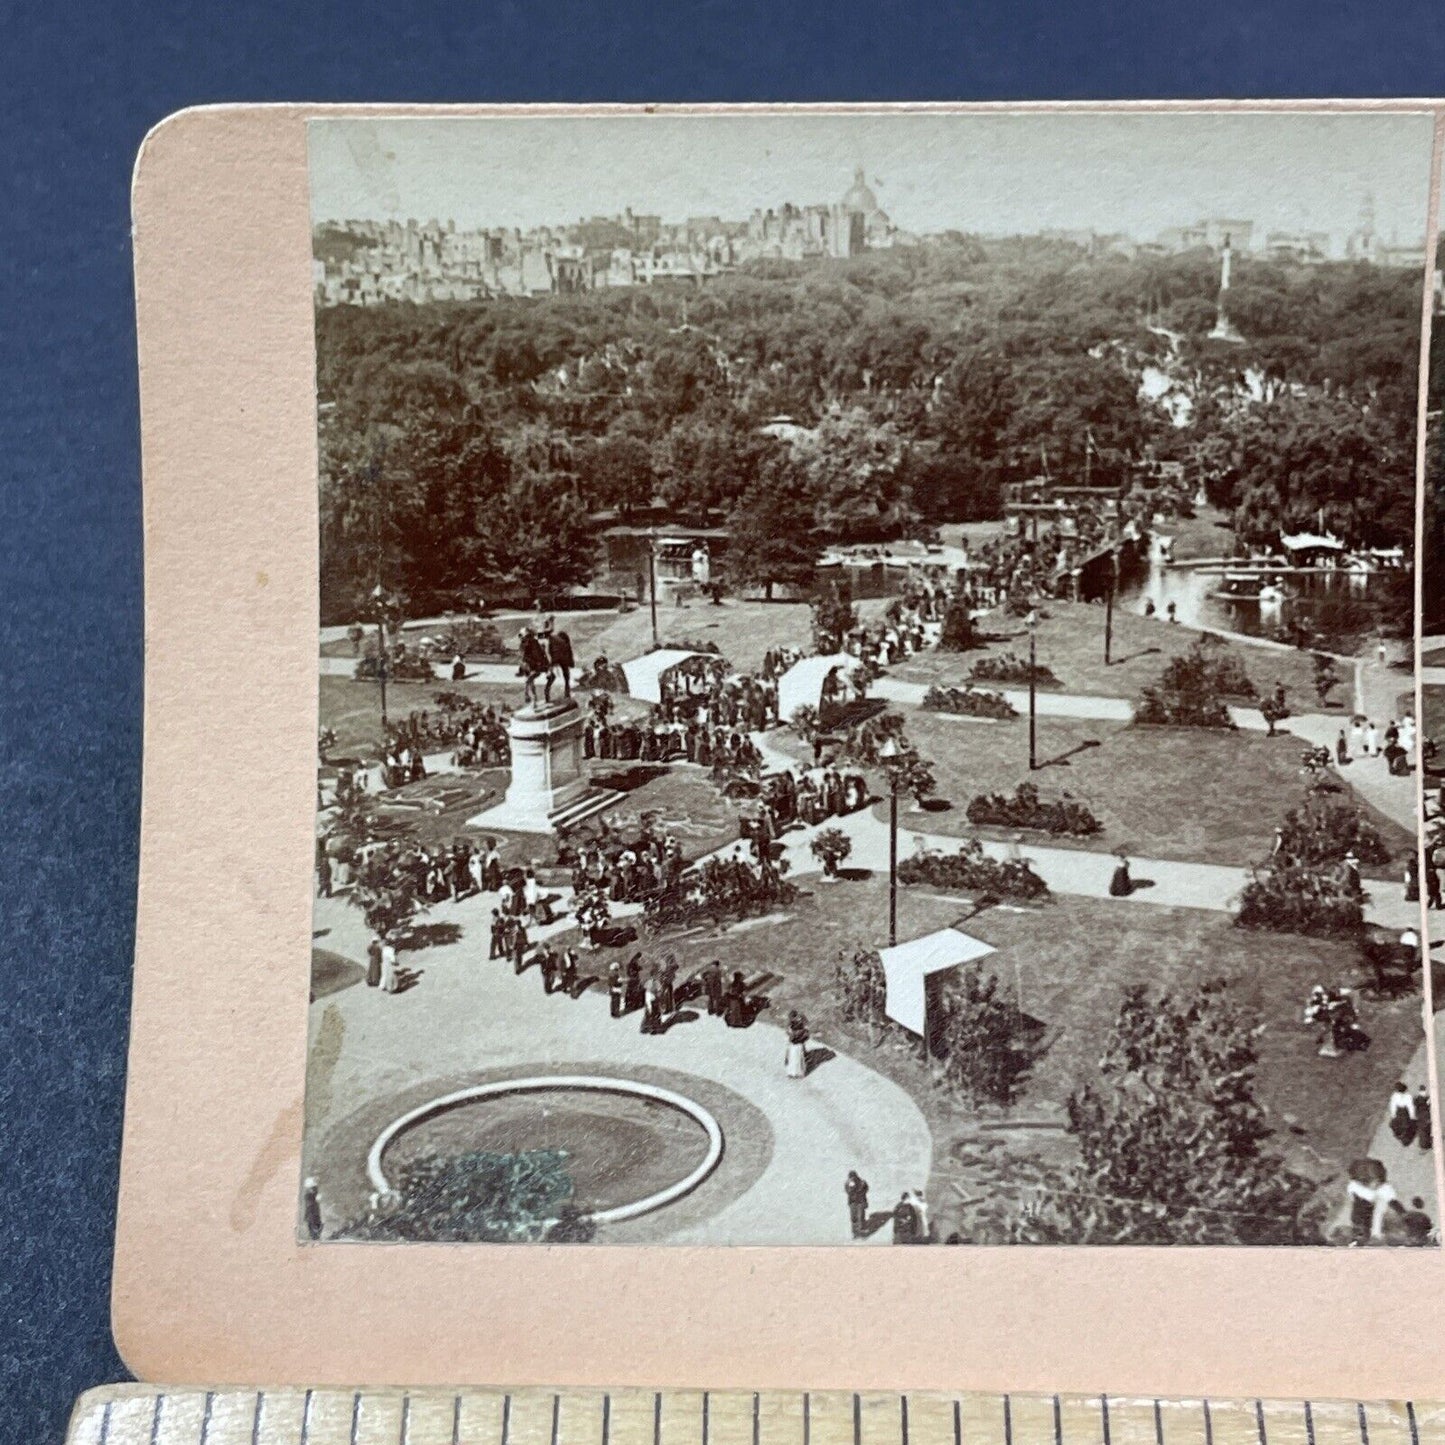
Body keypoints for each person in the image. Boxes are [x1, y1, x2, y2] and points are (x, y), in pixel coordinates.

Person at [520, 626, 552, 706]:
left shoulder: (535, 643)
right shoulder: (525, 645)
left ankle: (544, 693)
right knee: (530, 680)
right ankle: (533, 698)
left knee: (530, 679)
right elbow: (524, 657)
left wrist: (546, 666)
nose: (527, 639)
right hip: (531, 666)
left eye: (528, 637)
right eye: (526, 637)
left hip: (539, 665)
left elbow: (541, 655)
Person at [1388, 1082, 1417, 1148]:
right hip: (1404, 1112)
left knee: (1399, 1125)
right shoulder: (1407, 1096)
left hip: (1401, 1112)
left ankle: (1403, 1136)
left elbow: (1393, 1106)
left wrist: (1393, 1115)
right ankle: (1405, 1135)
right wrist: (1412, 1116)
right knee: (1405, 1124)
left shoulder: (1395, 1096)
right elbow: (1410, 1107)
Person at [548, 627, 574, 698]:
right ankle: (566, 690)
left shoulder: (557, 643)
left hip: (558, 658)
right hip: (560, 658)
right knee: (565, 674)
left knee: (563, 673)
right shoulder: (562, 643)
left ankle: (566, 689)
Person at [845, 1171, 869, 1238]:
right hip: (853, 1202)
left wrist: (860, 1189)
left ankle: (862, 1231)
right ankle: (855, 1232)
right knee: (854, 1217)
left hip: (860, 1202)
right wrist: (851, 1188)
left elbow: (866, 1189)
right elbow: (847, 1191)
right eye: (851, 1177)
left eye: (853, 1177)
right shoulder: (848, 1183)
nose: (852, 1178)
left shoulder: (862, 1182)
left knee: (861, 1216)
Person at [785, 1010, 808, 1079]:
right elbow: (789, 1031)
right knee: (794, 1057)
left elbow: (803, 1032)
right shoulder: (793, 1023)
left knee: (796, 1057)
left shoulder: (800, 1023)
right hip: (795, 1043)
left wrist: (793, 1034)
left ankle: (796, 1073)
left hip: (797, 1043)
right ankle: (794, 1073)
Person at [1415, 1086, 1433, 1152]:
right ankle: (1426, 1144)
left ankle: (1424, 1145)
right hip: (1426, 1116)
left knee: (1422, 1131)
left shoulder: (1416, 1099)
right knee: (1427, 1130)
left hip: (1420, 1117)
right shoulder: (1427, 1098)